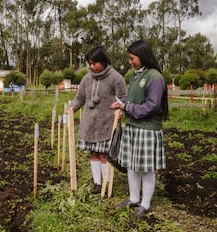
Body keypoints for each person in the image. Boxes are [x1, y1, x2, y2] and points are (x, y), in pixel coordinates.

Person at [110, 40, 168, 218]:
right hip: (134, 127)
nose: (129, 61)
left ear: (142, 56)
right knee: (131, 165)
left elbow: (152, 106)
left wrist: (127, 108)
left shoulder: (154, 77)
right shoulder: (135, 76)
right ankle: (134, 198)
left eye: (131, 58)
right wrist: (122, 106)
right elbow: (133, 102)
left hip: (148, 129)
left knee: (146, 168)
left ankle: (145, 204)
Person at [68, 45, 127, 194]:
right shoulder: (86, 79)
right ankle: (97, 183)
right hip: (90, 123)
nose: (91, 66)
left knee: (104, 155)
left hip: (107, 124)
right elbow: (79, 98)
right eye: (90, 64)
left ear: (103, 61)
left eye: (94, 63)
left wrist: (121, 112)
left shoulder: (116, 78)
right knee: (93, 154)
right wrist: (72, 108)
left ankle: (106, 183)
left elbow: (123, 101)